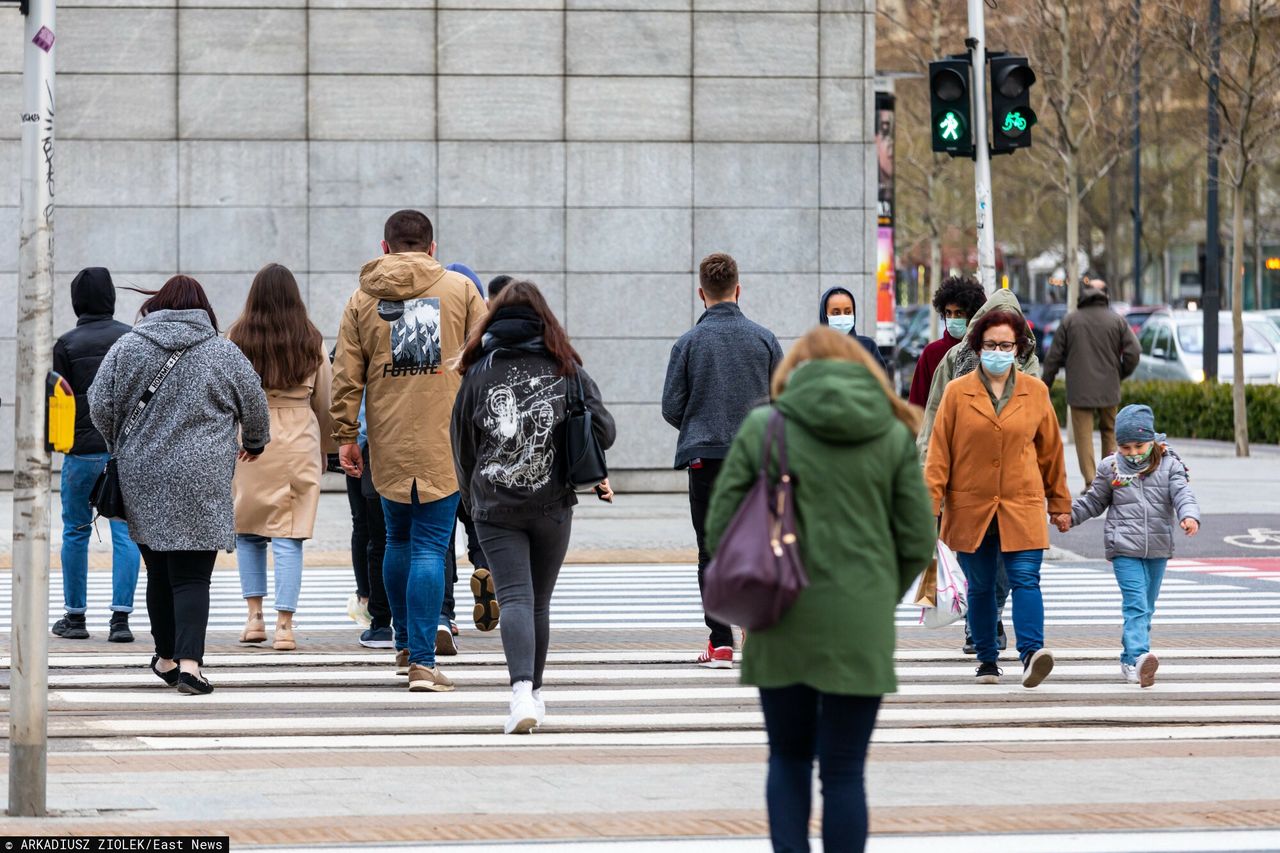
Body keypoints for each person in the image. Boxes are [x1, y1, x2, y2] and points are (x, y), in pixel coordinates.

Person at [704, 326, 936, 853]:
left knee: (787, 757)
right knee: (845, 770)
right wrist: (878, 592)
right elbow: (918, 537)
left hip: (779, 614)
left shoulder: (766, 427)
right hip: (861, 623)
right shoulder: (892, 432)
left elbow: (720, 528)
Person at [89, 275, 270, 695]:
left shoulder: (128, 347)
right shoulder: (223, 352)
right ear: (202, 309)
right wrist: (255, 443)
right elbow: (255, 404)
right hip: (202, 476)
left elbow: (98, 402)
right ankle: (190, 665)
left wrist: (121, 442)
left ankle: (167, 656)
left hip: (142, 473)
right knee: (192, 576)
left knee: (158, 570)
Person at [331, 209, 487, 693]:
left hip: (386, 438)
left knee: (396, 540)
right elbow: (487, 358)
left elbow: (345, 374)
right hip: (446, 438)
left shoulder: (362, 298)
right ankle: (422, 660)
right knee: (430, 545)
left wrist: (343, 435)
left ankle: (402, 644)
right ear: (432, 247)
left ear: (386, 248)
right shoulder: (461, 291)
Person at [451, 280, 616, 734]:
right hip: (552, 504)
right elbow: (604, 430)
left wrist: (472, 500)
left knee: (515, 599)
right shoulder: (566, 367)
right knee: (538, 602)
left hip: (494, 504)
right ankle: (535, 694)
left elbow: (461, 445)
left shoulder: (479, 370)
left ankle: (522, 692)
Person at [924, 308, 1071, 688]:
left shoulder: (1035, 392)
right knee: (983, 586)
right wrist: (929, 506)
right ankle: (987, 659)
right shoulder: (957, 394)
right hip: (971, 505)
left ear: (1018, 348)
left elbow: (1051, 452)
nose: (999, 351)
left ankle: (1032, 654)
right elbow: (939, 454)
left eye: (1006, 345)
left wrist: (1060, 504)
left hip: (1020, 503)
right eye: (991, 345)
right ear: (978, 347)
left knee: (1026, 578)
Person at [662, 253, 783, 668]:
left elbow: (670, 406)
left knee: (710, 550)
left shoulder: (688, 343)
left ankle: (721, 641)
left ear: (701, 293)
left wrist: (697, 425)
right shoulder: (764, 339)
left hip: (705, 457)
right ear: (738, 288)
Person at [917, 289, 1039, 654]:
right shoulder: (954, 361)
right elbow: (932, 422)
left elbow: (1040, 425)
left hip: (1014, 483)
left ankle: (990, 620)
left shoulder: (1028, 361)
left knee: (1008, 566)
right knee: (977, 562)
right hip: (966, 481)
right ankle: (981, 627)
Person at [228, 263, 335, 652]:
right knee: (289, 536)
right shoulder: (311, 338)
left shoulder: (236, 338)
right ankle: (285, 626)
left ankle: (253, 618)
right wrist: (326, 449)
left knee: (248, 531)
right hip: (297, 436)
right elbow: (325, 400)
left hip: (249, 439)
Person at [1070, 404, 1200, 687]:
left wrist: (1189, 515)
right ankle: (1139, 658)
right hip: (1123, 548)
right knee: (1136, 604)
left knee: (1147, 607)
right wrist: (1068, 516)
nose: (1132, 453)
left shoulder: (1170, 464)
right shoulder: (1110, 467)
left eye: (1139, 446)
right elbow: (1093, 501)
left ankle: (1129, 657)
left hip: (1158, 547)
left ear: (1152, 439)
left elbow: (1182, 493)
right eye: (1125, 447)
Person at [51, 267, 141, 643]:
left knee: (75, 531)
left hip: (80, 453)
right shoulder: (131, 339)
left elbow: (58, 403)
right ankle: (120, 621)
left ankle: (76, 618)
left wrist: (56, 445)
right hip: (123, 454)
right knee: (125, 533)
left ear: (76, 301)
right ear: (111, 299)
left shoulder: (66, 344)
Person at [1042, 286, 1142, 488]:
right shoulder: (1116, 320)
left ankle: (1090, 481)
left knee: (1083, 436)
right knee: (1110, 431)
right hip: (1109, 387)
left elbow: (1053, 357)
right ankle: (1111, 478)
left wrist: (1045, 386)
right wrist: (1120, 373)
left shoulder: (1070, 321)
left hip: (1080, 390)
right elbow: (1134, 351)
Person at [345, 394, 394, 648]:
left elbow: (349, 387)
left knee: (376, 535)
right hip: (424, 444)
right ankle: (440, 616)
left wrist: (350, 440)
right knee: (426, 540)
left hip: (373, 445)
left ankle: (379, 618)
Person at [907, 275, 987, 408]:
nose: (952, 318)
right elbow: (917, 402)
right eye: (948, 313)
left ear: (972, 315)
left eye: (959, 313)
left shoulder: (986, 350)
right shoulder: (932, 352)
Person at [818, 286, 888, 372]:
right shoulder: (814, 351)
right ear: (824, 315)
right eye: (836, 313)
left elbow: (881, 382)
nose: (843, 317)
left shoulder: (868, 347)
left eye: (848, 312)